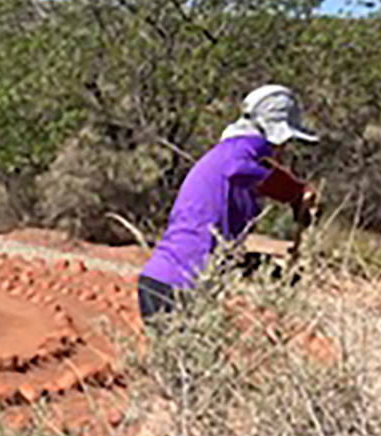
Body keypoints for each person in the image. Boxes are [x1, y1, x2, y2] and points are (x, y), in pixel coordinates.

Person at [137, 84, 319, 319]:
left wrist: (265, 268)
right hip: (178, 288)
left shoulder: (226, 159)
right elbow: (254, 173)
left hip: (167, 282)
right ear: (276, 135)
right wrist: (296, 194)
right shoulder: (237, 158)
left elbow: (216, 242)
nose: (282, 150)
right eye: (284, 142)